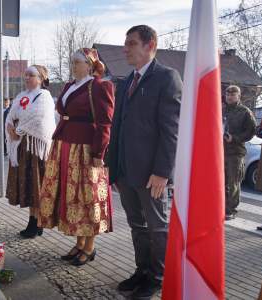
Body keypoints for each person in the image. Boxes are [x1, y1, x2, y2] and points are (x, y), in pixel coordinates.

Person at [106, 25, 182, 299]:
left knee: (157, 227)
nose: (125, 48)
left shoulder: (167, 78)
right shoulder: (126, 81)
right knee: (137, 226)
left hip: (152, 174)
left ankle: (158, 277)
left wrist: (162, 172)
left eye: (131, 43)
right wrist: (112, 166)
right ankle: (142, 271)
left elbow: (171, 130)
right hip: (126, 171)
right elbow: (117, 127)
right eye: (125, 43)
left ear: (150, 45)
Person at [38, 48, 115, 266]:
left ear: (90, 65)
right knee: (73, 198)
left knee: (87, 197)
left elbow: (105, 123)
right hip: (65, 144)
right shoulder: (69, 86)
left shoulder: (100, 86)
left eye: (78, 61)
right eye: (72, 61)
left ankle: (90, 247)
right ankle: (80, 243)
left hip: (85, 148)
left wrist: (99, 152)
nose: (74, 65)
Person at [6, 65, 56, 239]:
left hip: (36, 148)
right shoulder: (21, 96)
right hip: (22, 147)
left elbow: (38, 118)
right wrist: (10, 126)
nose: (26, 78)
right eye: (25, 75)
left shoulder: (45, 97)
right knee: (28, 185)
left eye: (31, 75)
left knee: (36, 185)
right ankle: (33, 221)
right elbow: (11, 115)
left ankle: (36, 223)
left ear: (40, 79)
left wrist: (17, 130)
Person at [222, 85, 256, 220]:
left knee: (233, 183)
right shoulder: (222, 110)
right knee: (222, 182)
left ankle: (231, 210)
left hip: (235, 153)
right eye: (228, 94)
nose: (230, 97)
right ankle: (222, 207)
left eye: (233, 95)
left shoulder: (245, 112)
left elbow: (251, 132)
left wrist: (234, 139)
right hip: (221, 151)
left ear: (238, 96)